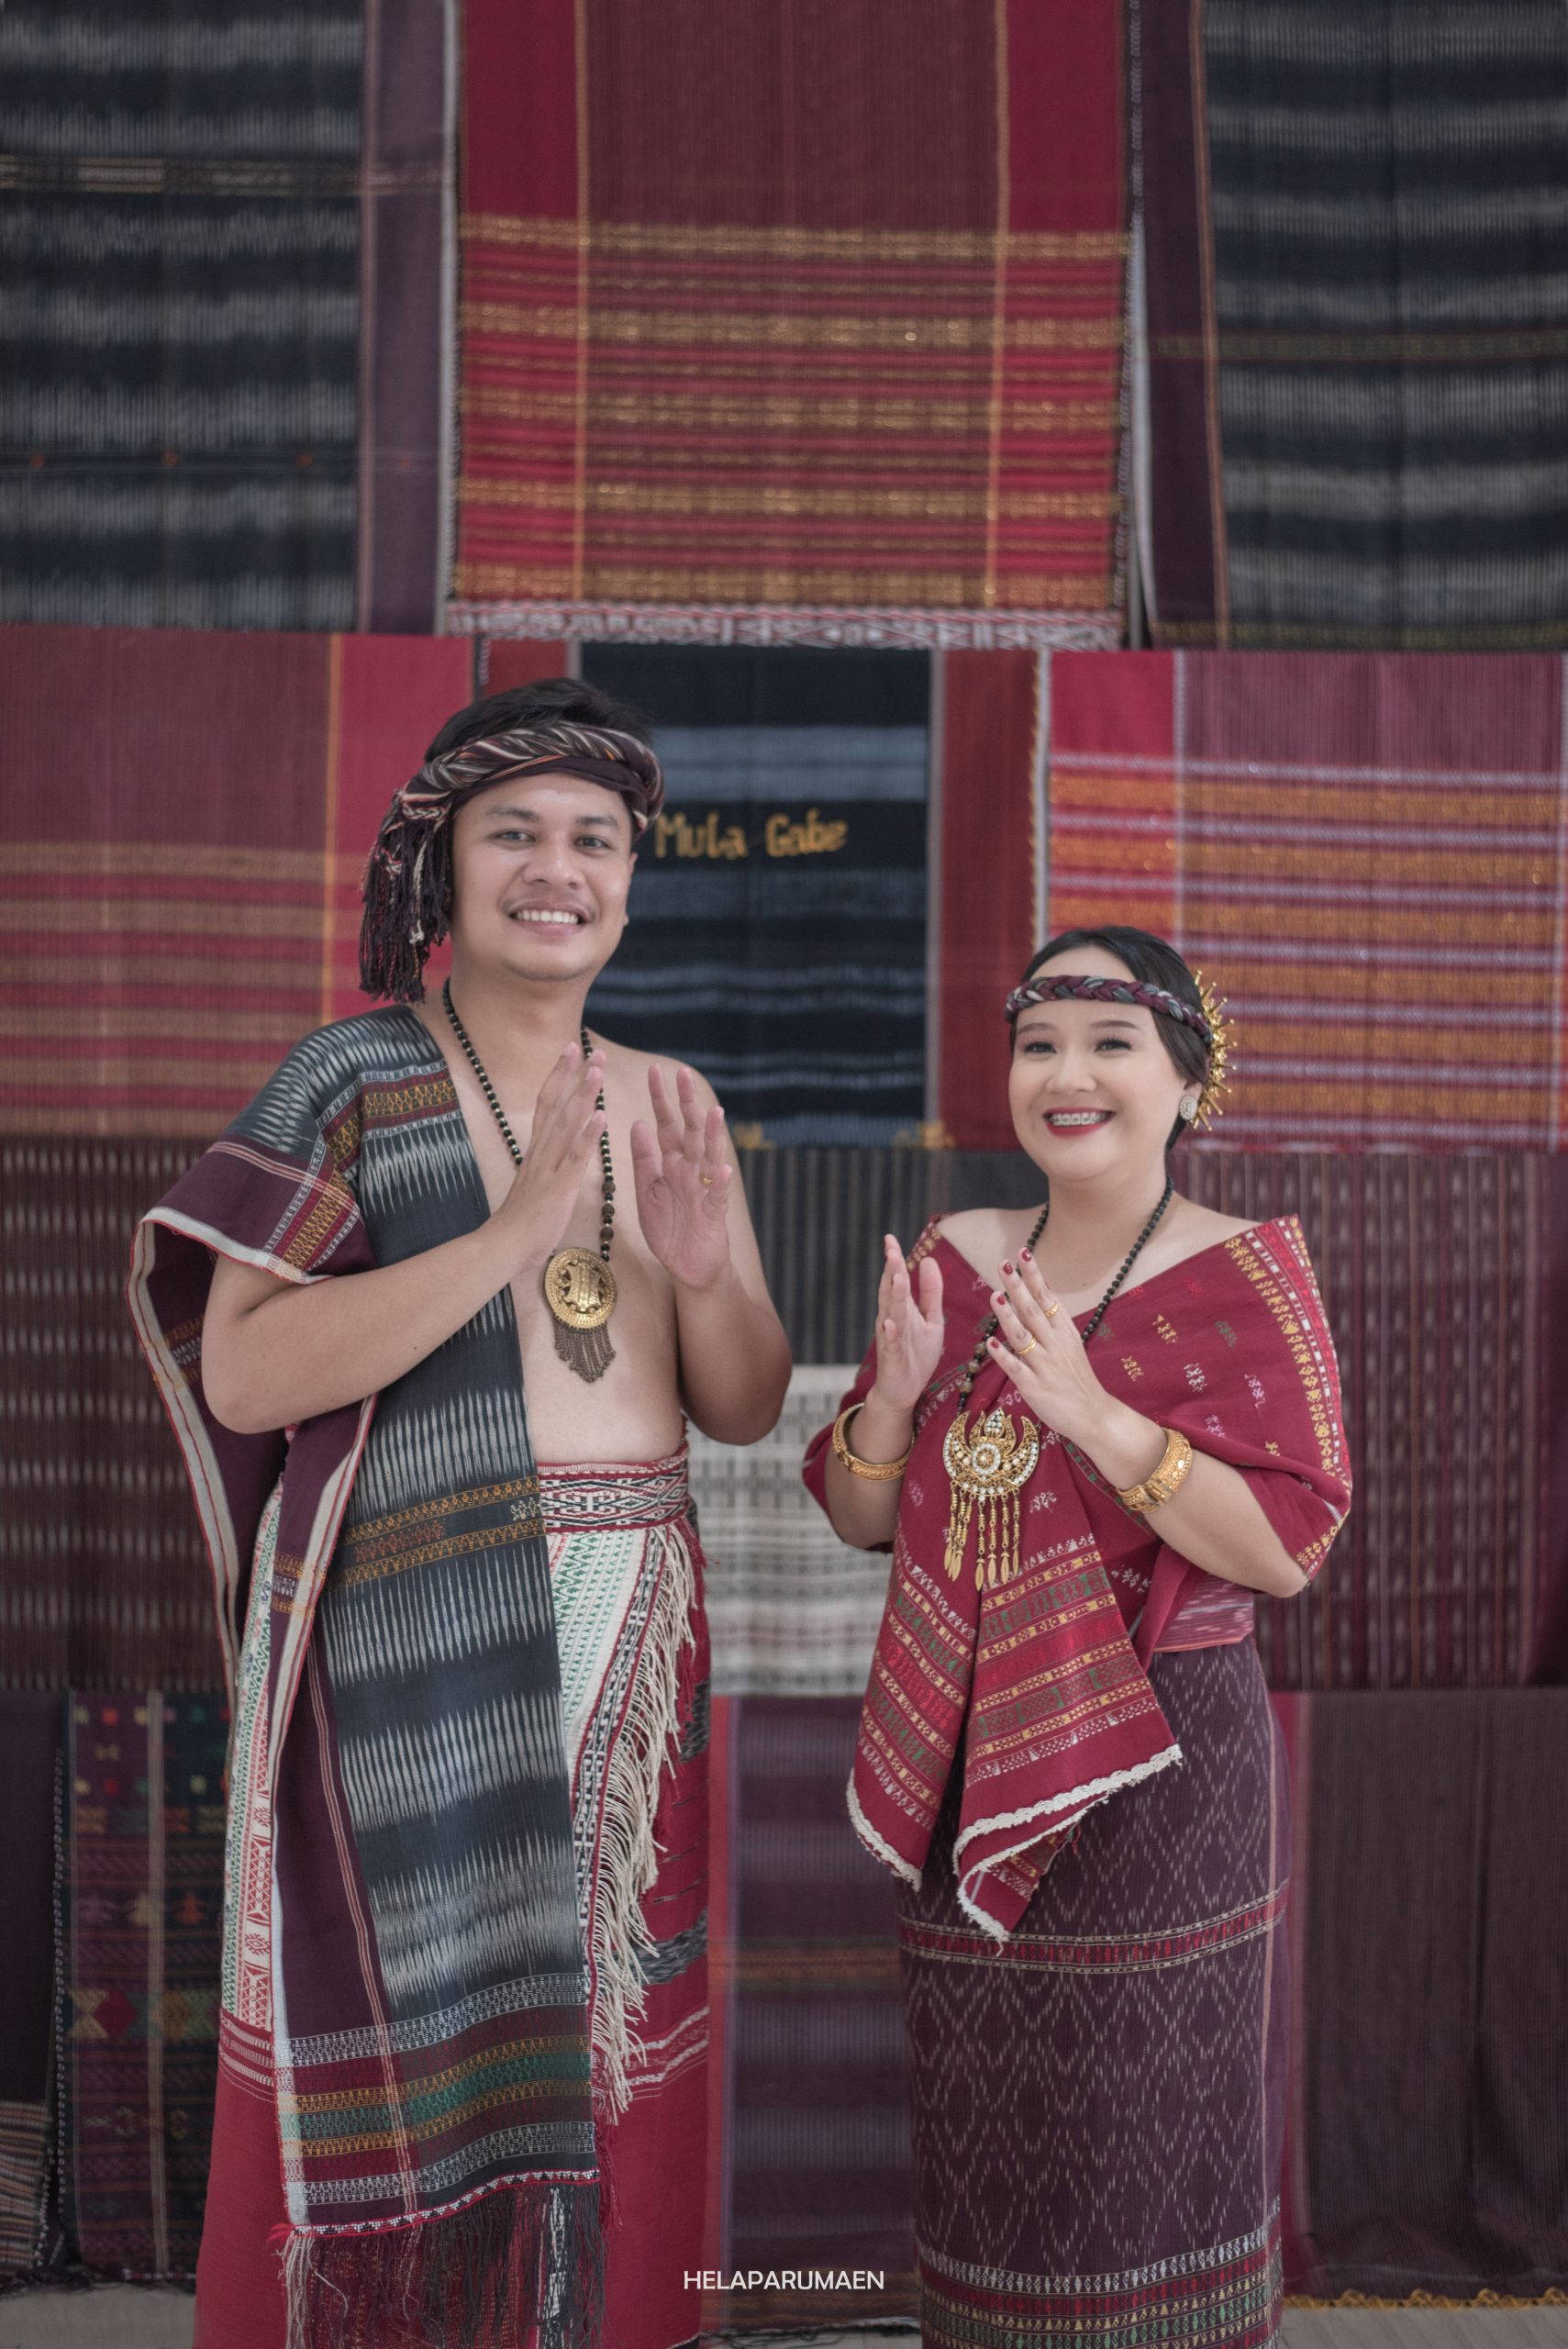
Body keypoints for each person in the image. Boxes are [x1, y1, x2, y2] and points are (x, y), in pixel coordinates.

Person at [129, 678, 791, 2349]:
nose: (556, 870)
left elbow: (741, 1404)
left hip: (627, 1633)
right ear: (439, 865)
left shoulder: (667, 1095)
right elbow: (244, 1376)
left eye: (595, 840)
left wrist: (710, 1279)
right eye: (515, 834)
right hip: (401, 1634)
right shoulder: (347, 1078)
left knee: (605, 2051)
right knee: (406, 2039)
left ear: (629, 877)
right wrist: (507, 1239)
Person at [804, 926, 1351, 2349]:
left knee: (1148, 2130)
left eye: (1111, 1044)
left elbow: (1283, 1549)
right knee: (983, 2123)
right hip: (966, 1753)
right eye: (1038, 1044)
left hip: (1165, 1769)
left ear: (1188, 1081)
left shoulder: (1243, 1276)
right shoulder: (961, 1257)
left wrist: (1098, 1419)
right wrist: (890, 1401)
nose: (1067, 1076)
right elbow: (863, 1518)